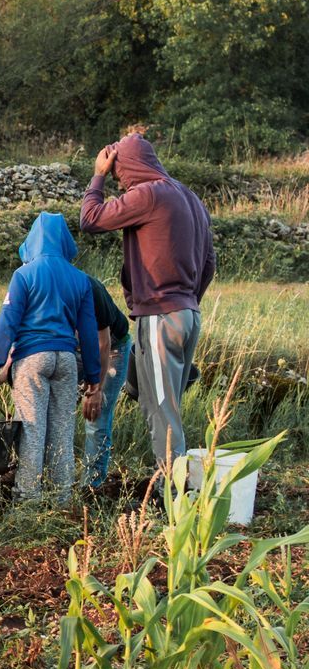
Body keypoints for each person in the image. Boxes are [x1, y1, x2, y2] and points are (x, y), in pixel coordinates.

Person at [78, 132, 215, 470]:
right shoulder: (191, 198)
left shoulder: (148, 194)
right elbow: (210, 263)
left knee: (162, 411)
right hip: (188, 313)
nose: (120, 181)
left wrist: (98, 175)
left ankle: (173, 492)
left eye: (118, 172)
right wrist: (187, 300)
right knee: (157, 395)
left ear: (128, 166)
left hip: (160, 315)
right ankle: (148, 385)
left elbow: (90, 220)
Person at [0, 212, 102, 504]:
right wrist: (94, 379)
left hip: (33, 360)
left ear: (33, 240)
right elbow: (89, 332)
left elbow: (8, 324)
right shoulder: (80, 279)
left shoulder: (25, 275)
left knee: (32, 430)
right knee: (62, 431)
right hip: (67, 361)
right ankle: (61, 500)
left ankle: (27, 501)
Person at [78, 270, 132, 489]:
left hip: (111, 350)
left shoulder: (90, 288)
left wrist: (94, 389)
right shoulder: (40, 282)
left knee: (95, 417)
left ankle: (90, 487)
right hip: (74, 349)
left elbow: (103, 343)